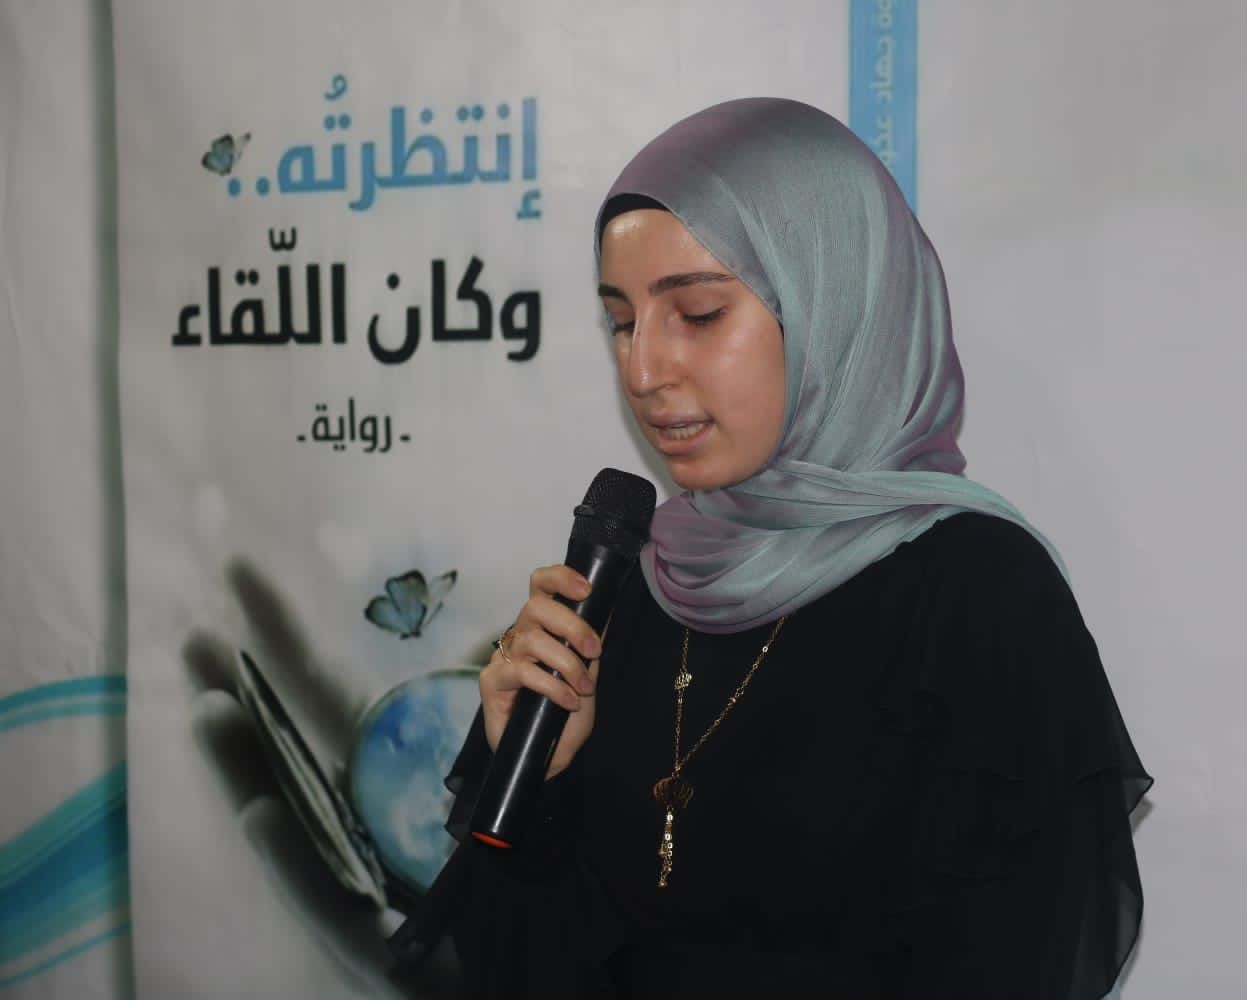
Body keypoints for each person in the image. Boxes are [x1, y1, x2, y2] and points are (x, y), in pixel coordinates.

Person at [391, 97, 1151, 999]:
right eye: (622, 322)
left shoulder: (977, 595)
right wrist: (543, 788)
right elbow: (512, 963)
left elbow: (1012, 964)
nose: (643, 371)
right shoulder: (630, 587)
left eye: (698, 313)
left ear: (833, 304)